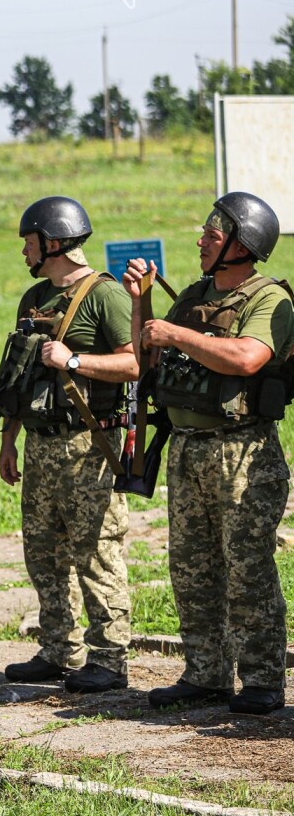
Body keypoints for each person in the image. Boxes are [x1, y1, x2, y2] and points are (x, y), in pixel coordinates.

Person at [126, 191, 292, 715]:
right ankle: (206, 674)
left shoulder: (268, 300)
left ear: (241, 246)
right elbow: (144, 360)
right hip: (187, 449)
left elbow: (247, 358)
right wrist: (142, 302)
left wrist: (177, 333)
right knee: (192, 568)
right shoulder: (195, 295)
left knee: (247, 569)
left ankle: (263, 679)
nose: (201, 241)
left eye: (213, 235)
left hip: (242, 452)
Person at [0, 196, 138, 693]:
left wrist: (74, 361)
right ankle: (58, 648)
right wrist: (9, 440)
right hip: (40, 443)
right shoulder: (34, 296)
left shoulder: (105, 296)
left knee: (95, 550)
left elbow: (136, 363)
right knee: (43, 551)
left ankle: (110, 657)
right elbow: (19, 375)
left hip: (88, 444)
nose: (24, 250)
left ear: (52, 242)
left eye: (28, 241)